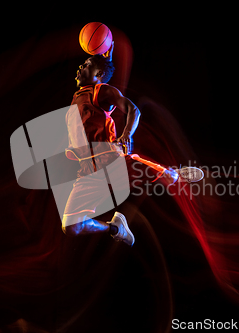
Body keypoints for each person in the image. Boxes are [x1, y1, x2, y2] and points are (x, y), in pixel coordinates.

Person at [62, 43, 201, 246]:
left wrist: (127, 134)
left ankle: (176, 174)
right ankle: (115, 227)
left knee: (153, 174)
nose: (80, 68)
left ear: (98, 73)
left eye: (86, 64)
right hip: (87, 171)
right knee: (71, 226)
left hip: (110, 161)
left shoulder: (100, 92)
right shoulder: (76, 99)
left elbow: (133, 110)